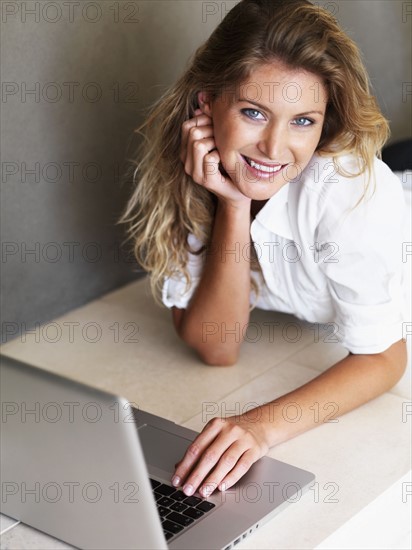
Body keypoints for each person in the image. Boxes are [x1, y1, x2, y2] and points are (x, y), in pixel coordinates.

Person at [121, 0, 409, 500]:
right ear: (207, 104)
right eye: (254, 112)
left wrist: (260, 427)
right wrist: (232, 205)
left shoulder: (347, 187)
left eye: (303, 120)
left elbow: (383, 357)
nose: (274, 149)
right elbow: (216, 345)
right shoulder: (203, 172)